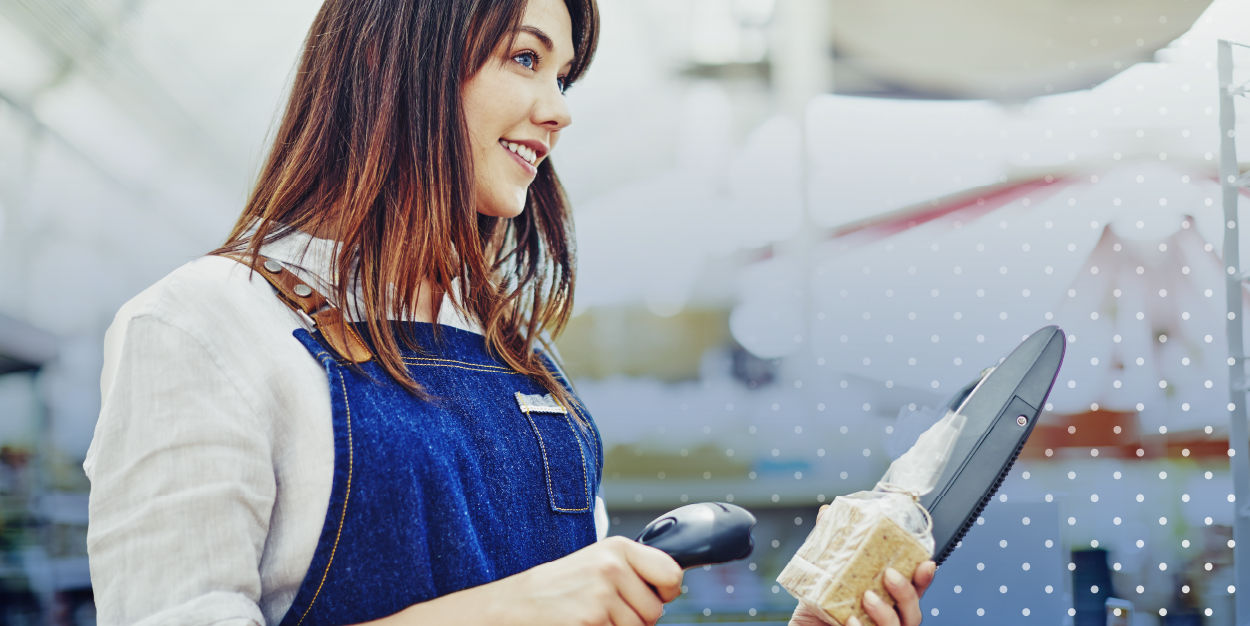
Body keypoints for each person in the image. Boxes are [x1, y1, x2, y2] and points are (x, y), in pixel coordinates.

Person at [83, 0, 932, 624]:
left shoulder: (524, 364)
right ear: (399, 61)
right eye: (526, 60)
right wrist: (514, 610)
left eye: (562, 74)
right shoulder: (204, 325)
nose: (560, 108)